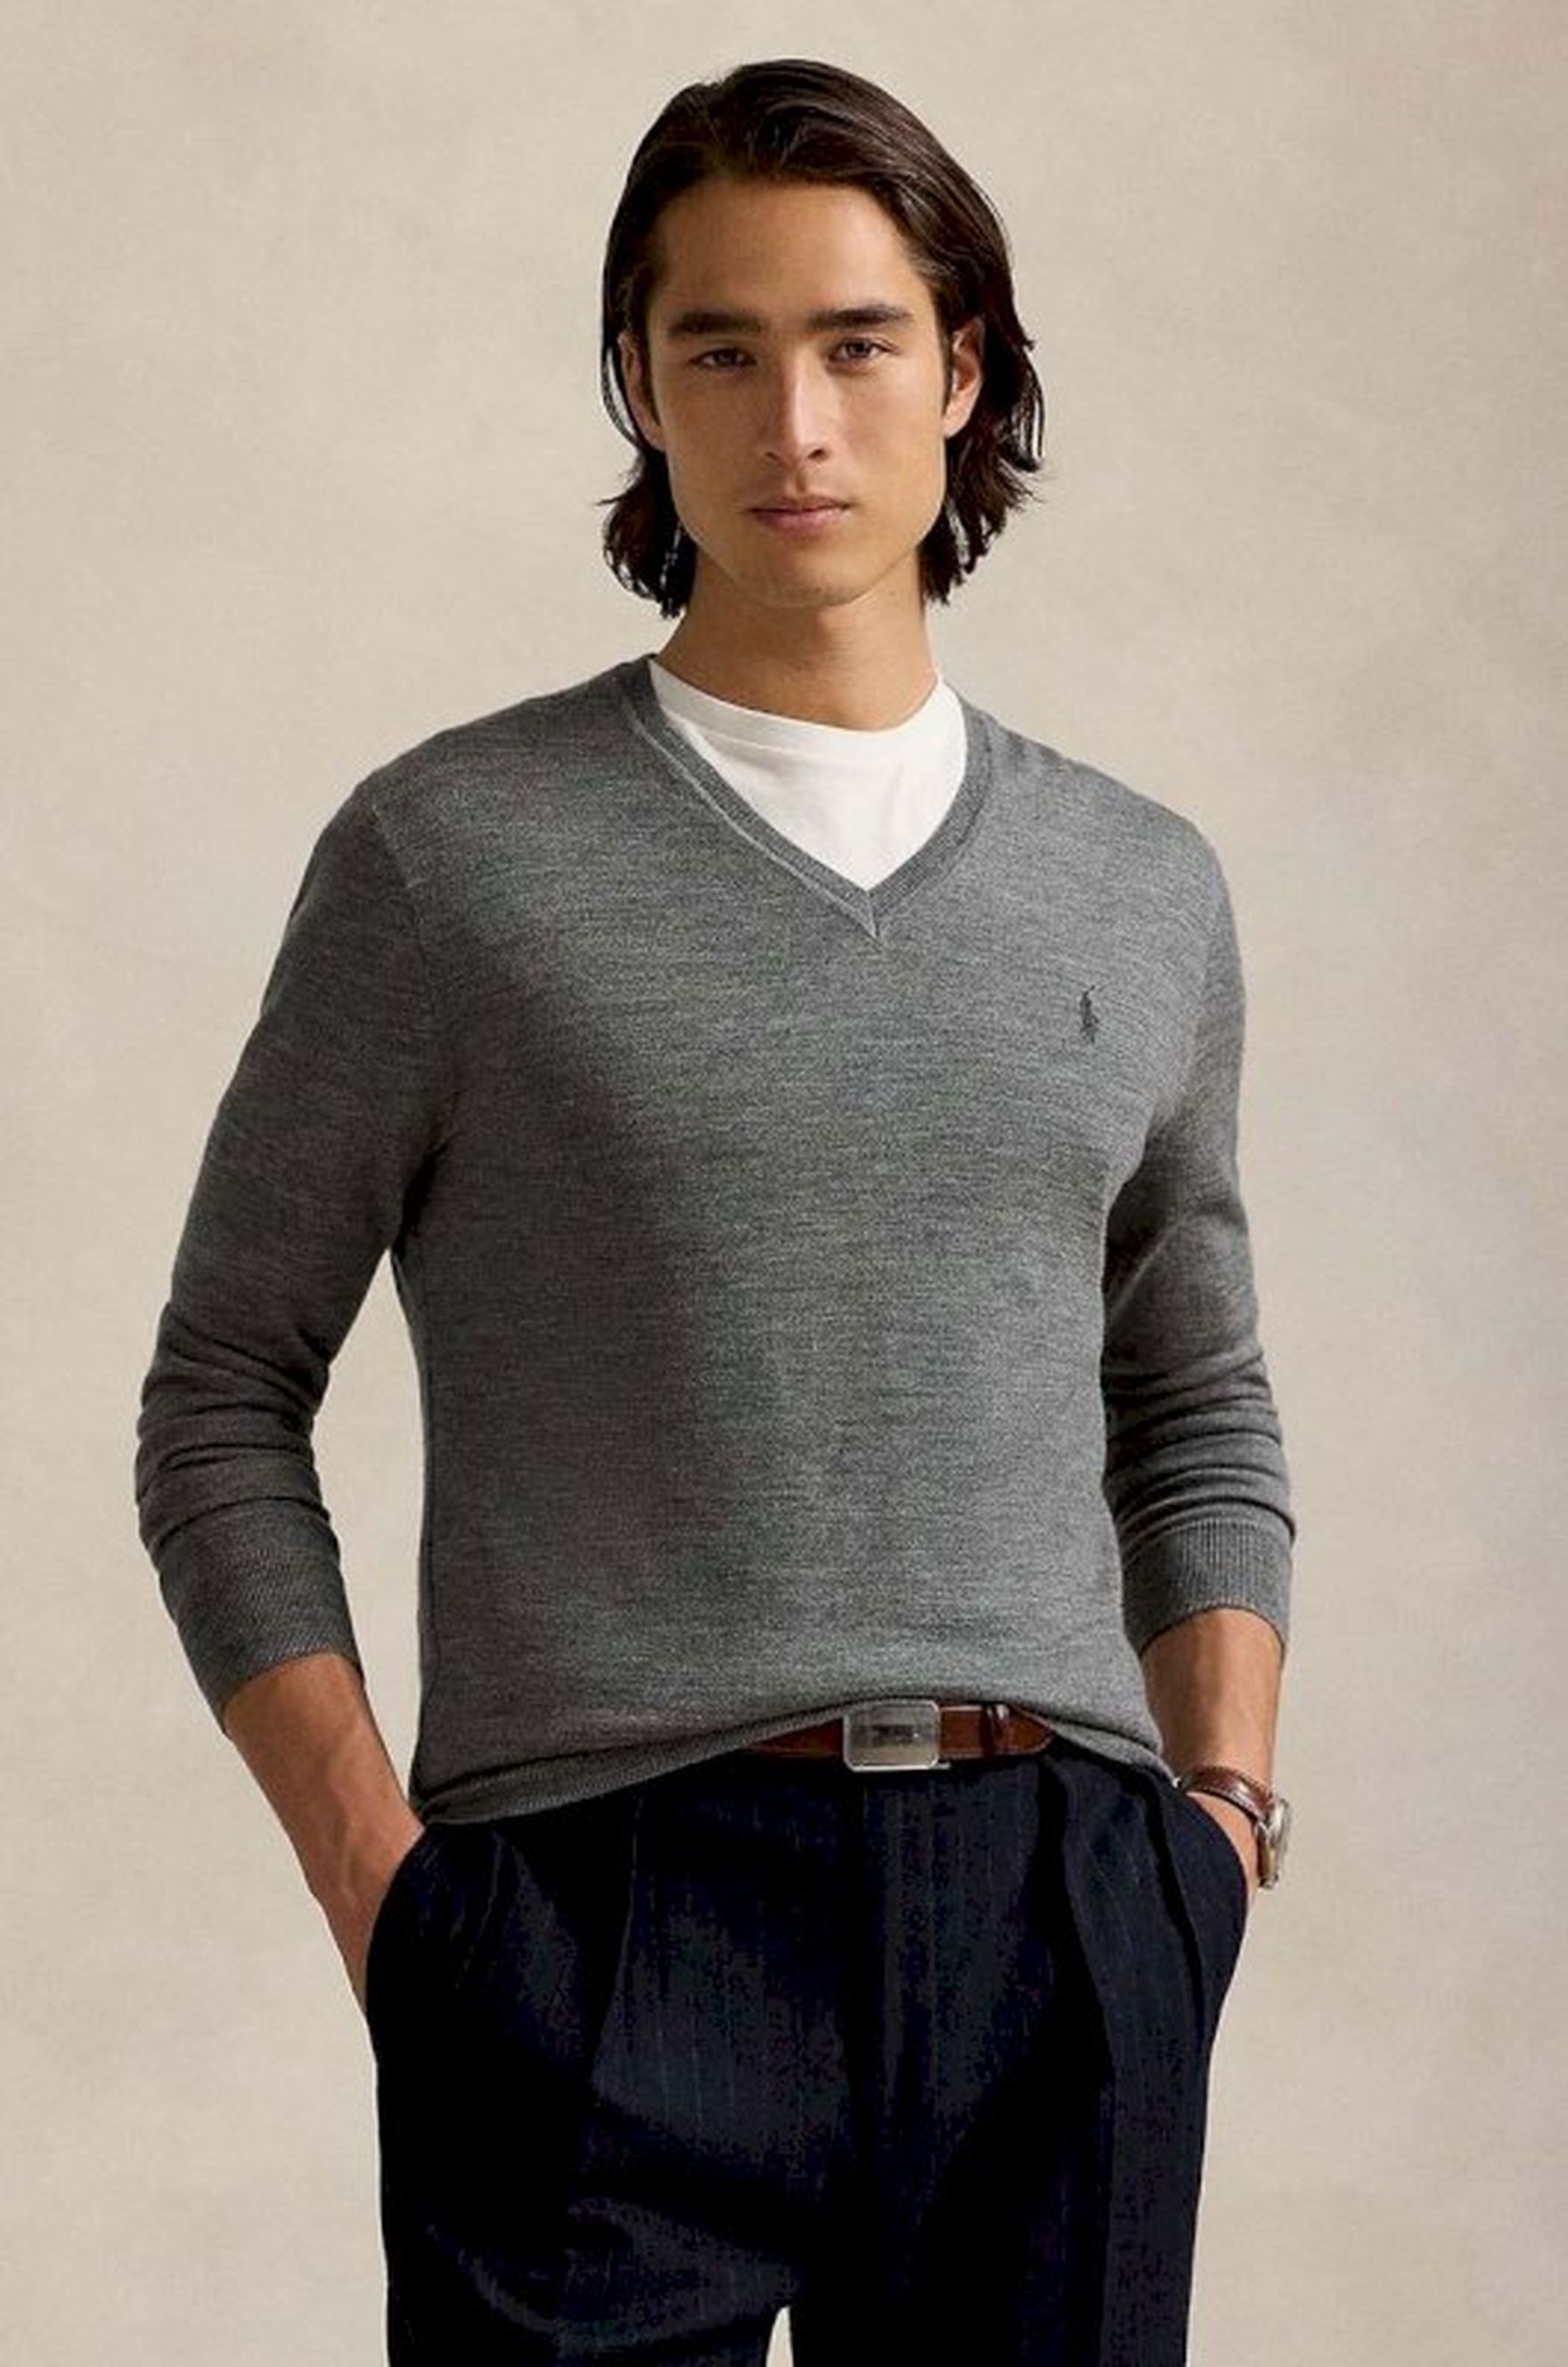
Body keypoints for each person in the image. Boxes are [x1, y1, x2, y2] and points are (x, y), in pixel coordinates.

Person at [134, 54, 1295, 2367]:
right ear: (640, 390)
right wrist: (389, 1898)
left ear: (964, 372)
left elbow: (1196, 1401)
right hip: (597, 1912)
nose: (799, 424)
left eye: (860, 343)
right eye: (723, 351)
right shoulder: (452, 864)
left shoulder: (1140, 887)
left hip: (1059, 1919)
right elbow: (221, 1398)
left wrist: (1219, 1831)